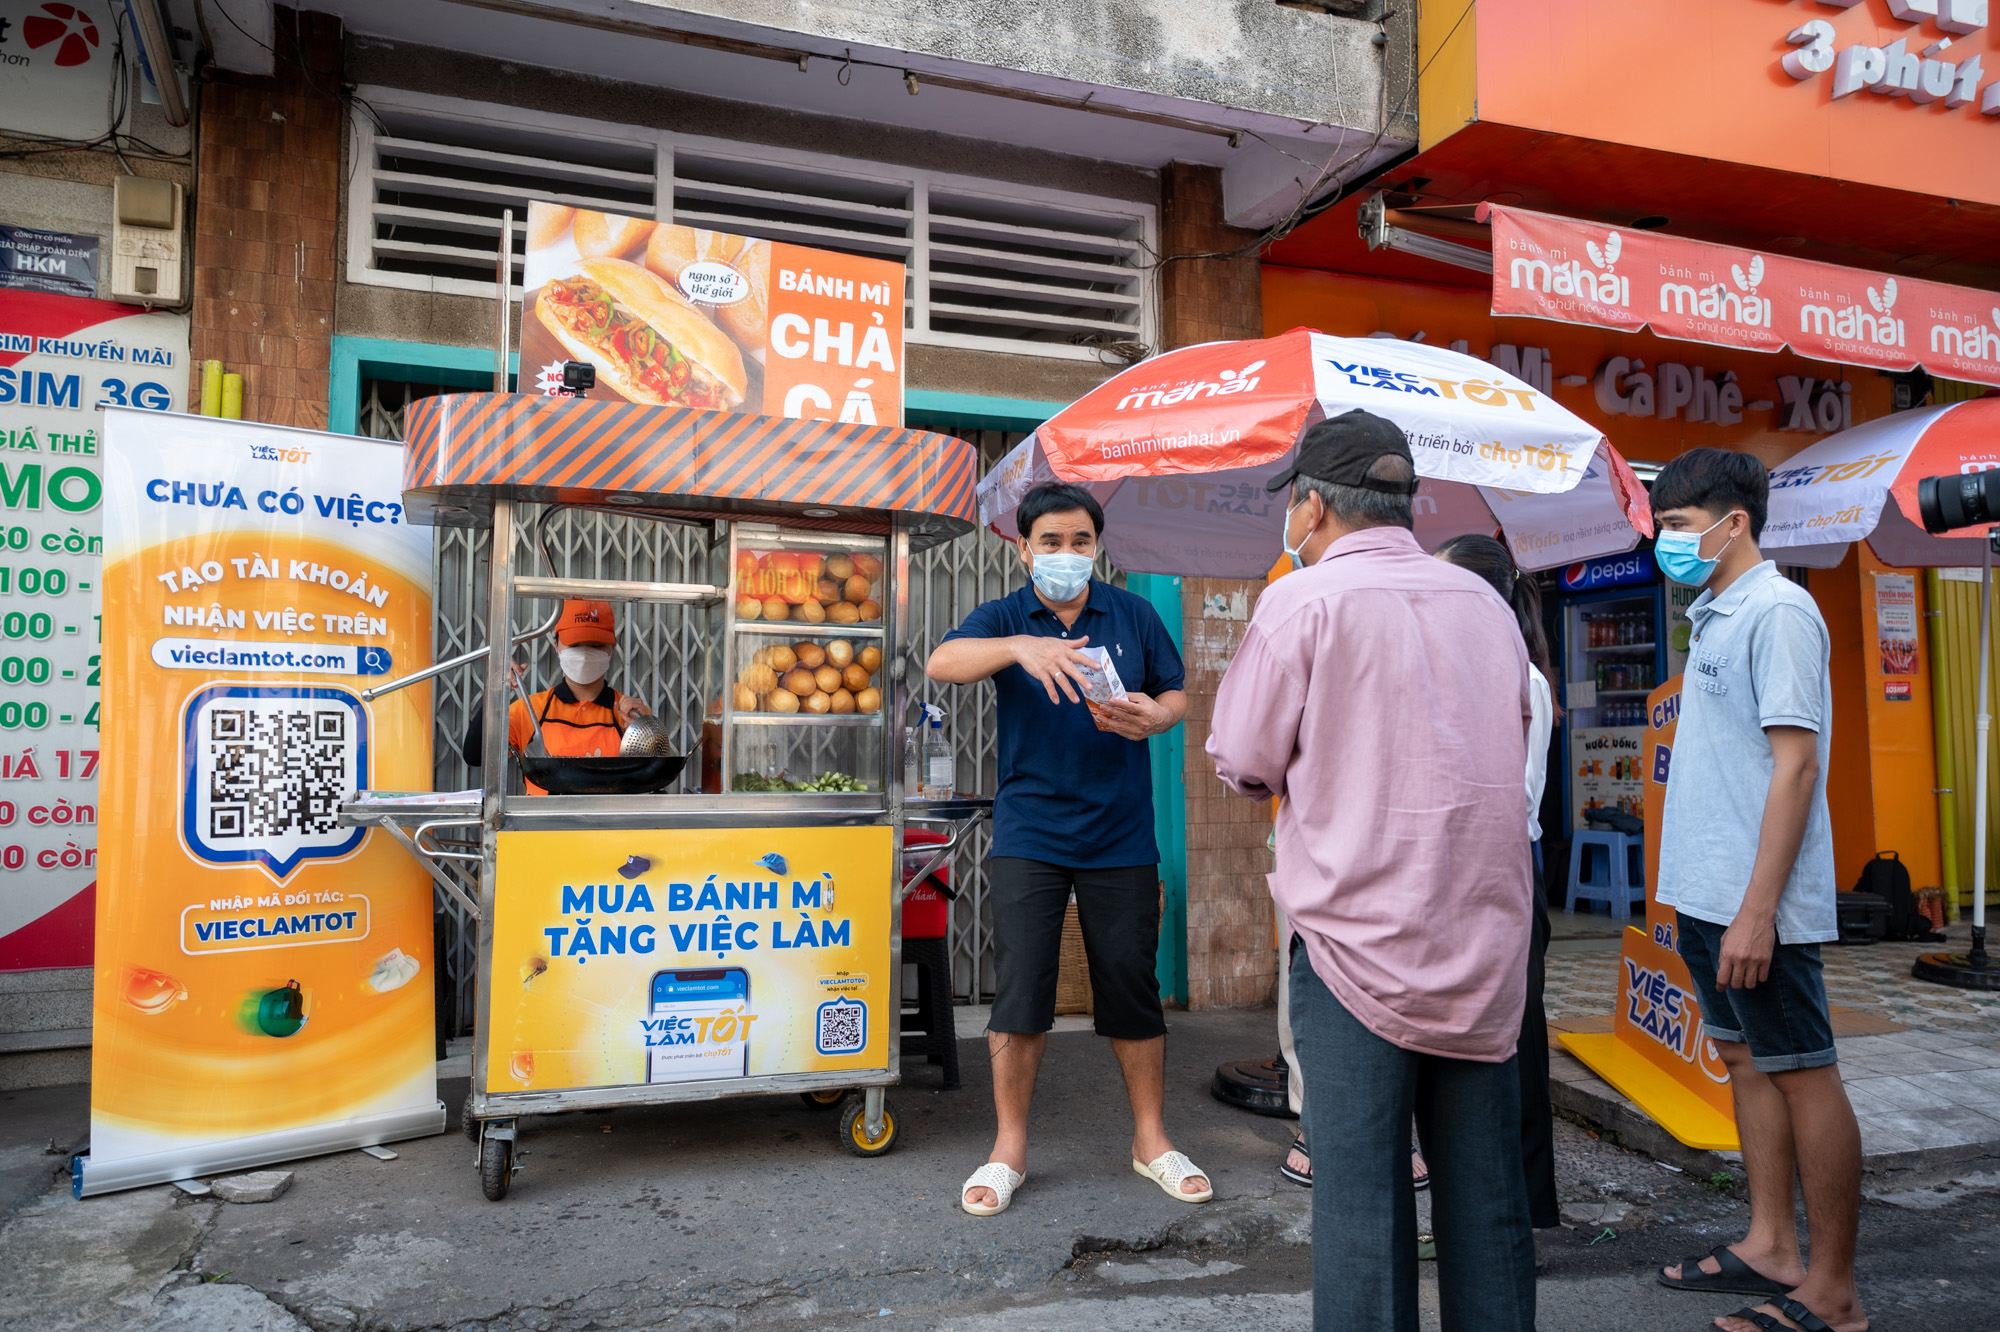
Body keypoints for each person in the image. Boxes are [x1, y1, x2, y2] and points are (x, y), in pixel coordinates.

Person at [1206, 409, 1537, 1332]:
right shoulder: (1483, 602)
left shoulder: (1302, 601)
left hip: (1354, 949)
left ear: (1311, 506)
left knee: (1361, 1203)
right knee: (1486, 1197)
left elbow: (1243, 756)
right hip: (1482, 941)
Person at [925, 481, 1201, 1218]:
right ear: (1024, 548)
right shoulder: (1007, 615)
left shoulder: (1134, 614)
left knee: (1129, 986)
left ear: (1098, 547)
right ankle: (1009, 1146)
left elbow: (1176, 693)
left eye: (1081, 541)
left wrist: (1157, 716)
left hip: (1121, 833)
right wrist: (1018, 646)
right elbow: (941, 664)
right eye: (1051, 541)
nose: (1067, 554)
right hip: (1031, 833)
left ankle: (1151, 1141)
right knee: (1021, 990)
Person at [1648, 450, 1865, 1332]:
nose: (1667, 541)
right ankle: (1771, 1243)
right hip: (1707, 894)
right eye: (1662, 525)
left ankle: (1834, 1291)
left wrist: (1758, 910)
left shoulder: (1779, 611)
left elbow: (1797, 764)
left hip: (1753, 904)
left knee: (1805, 1074)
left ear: (1734, 523)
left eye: (1680, 525)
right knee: (1745, 1064)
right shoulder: (1716, 611)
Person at [1434, 533, 1560, 1233]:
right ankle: (1478, 1205)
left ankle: (1523, 1210)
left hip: (1506, 874)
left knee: (1515, 1046)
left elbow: (1517, 797)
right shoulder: (1463, 670)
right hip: (1465, 874)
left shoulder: (1525, 681)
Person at [461, 598, 653, 794]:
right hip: (544, 824)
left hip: (612, 824)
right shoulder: (530, 710)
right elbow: (475, 756)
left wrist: (644, 725)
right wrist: (495, 692)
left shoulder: (630, 713)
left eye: (596, 645)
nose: (585, 654)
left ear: (612, 647)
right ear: (556, 646)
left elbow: (652, 776)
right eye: (575, 644)